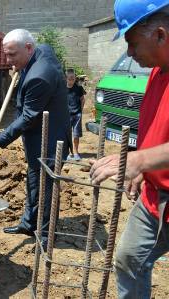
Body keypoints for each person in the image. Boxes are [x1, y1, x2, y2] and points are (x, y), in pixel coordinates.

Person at [90, 1, 169, 297]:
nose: (130, 54)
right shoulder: (156, 74)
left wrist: (141, 159)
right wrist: (146, 167)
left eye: (133, 44)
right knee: (129, 258)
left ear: (160, 35)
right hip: (155, 199)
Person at [0, 29, 70, 242]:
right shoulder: (40, 52)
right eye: (7, 54)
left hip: (50, 140)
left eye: (12, 55)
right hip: (37, 138)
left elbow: (28, 117)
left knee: (47, 187)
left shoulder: (39, 76)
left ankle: (45, 234)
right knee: (34, 181)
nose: (8, 60)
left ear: (29, 48)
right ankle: (28, 223)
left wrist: (0, 139)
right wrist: (20, 70)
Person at [66, 68, 85, 161]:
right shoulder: (62, 89)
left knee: (76, 134)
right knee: (67, 135)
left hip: (77, 115)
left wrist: (80, 111)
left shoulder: (78, 88)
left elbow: (82, 99)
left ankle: (76, 152)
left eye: (73, 78)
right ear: (66, 78)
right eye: (69, 79)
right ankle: (69, 153)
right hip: (66, 116)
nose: (71, 81)